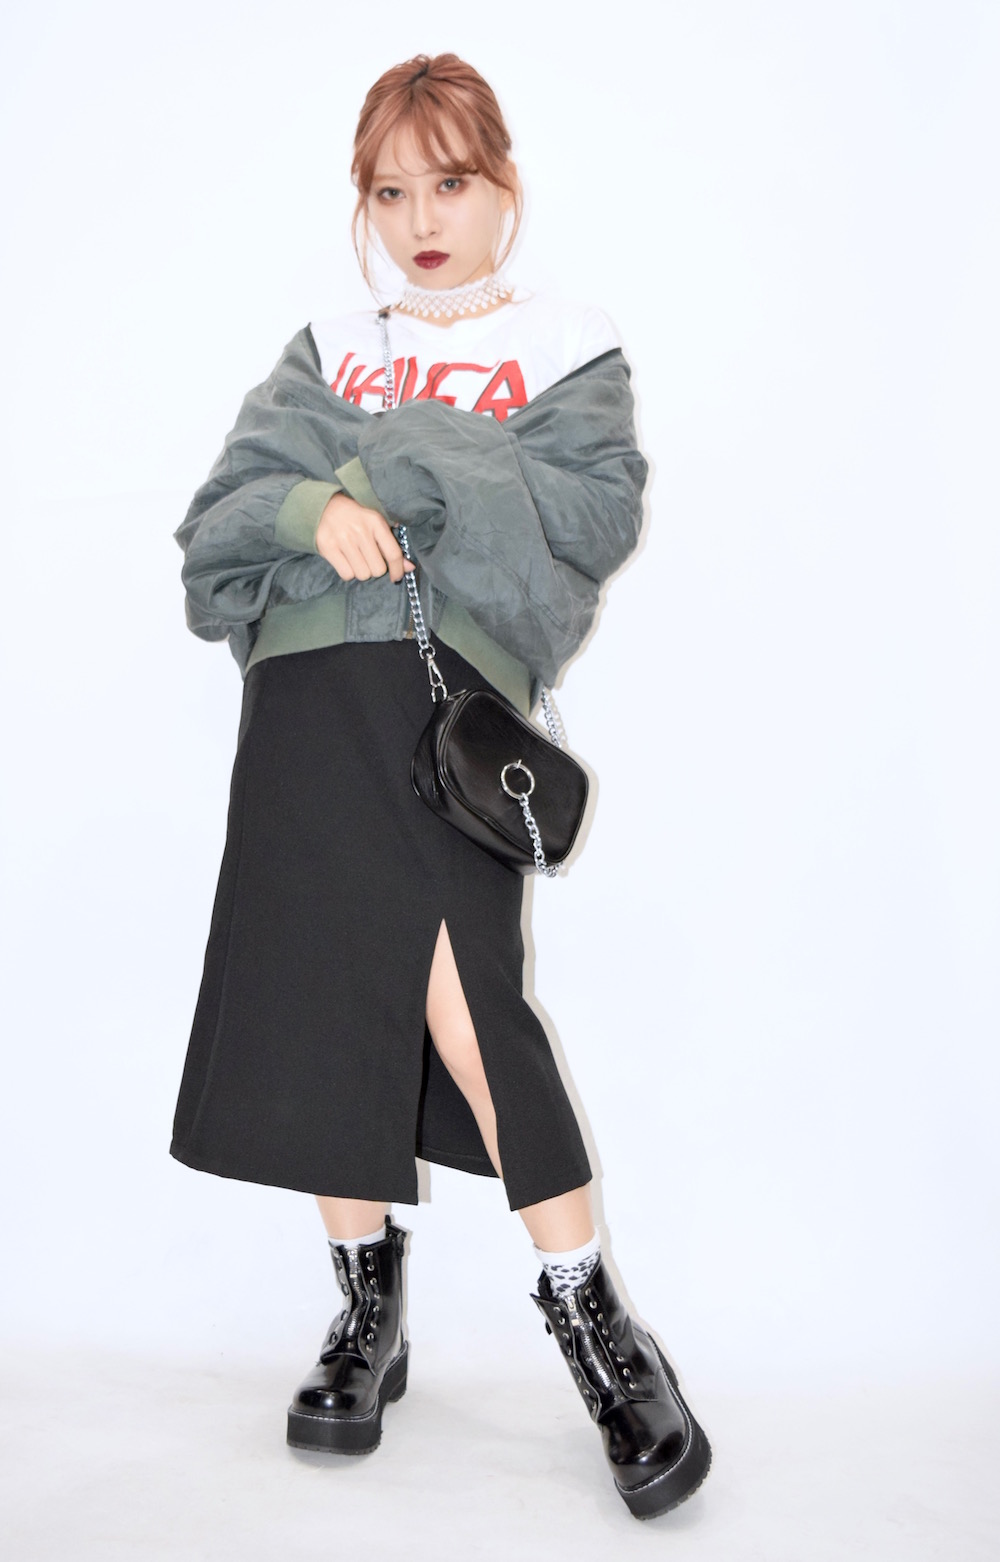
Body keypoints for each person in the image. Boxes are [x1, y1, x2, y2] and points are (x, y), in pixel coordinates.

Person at [170, 52, 711, 1520]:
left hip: (441, 707)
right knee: (319, 998)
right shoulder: (327, 344)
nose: (422, 220)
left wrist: (385, 459)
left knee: (472, 1008)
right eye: (392, 192)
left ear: (502, 185)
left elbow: (583, 524)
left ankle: (598, 1325)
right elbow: (219, 527)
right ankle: (367, 1308)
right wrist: (311, 505)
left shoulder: (568, 343)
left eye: (451, 184)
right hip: (304, 701)